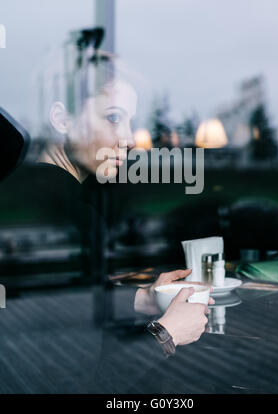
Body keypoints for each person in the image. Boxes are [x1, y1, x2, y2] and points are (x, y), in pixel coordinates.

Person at [33, 58, 212, 355]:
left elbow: (67, 305)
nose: (129, 139)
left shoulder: (55, 195)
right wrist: (168, 334)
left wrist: (147, 299)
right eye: (114, 118)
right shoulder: (63, 214)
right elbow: (73, 360)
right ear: (62, 119)